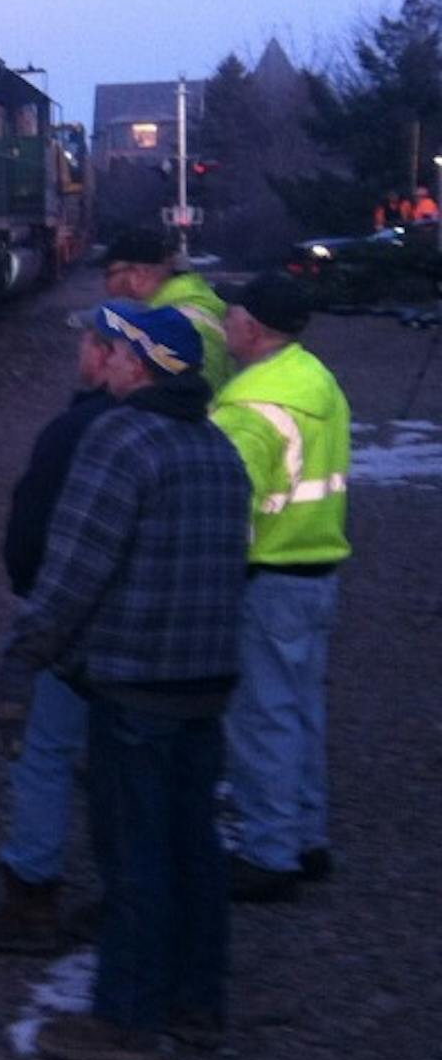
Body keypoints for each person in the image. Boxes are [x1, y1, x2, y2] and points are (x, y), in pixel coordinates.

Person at [0, 301, 250, 1060]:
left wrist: (23, 658)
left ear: (136, 365)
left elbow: (75, 574)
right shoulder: (216, 450)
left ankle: (128, 1018)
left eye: (109, 350)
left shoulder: (118, 440)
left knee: (131, 850)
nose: (96, 358)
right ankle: (197, 1002)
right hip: (205, 682)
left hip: (135, 683)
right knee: (193, 845)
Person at [0, 312, 120, 954]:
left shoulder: (75, 430)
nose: (78, 350)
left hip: (66, 621)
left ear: (110, 356)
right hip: (139, 631)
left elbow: (29, 533)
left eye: (88, 342)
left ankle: (32, 895)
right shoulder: (184, 427)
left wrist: (31, 598)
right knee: (120, 756)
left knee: (44, 751)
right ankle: (125, 890)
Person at [212, 272, 351, 902]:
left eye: (230, 314)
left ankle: (270, 855)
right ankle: (306, 836)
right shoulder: (315, 379)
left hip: (267, 577)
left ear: (254, 326)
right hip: (316, 565)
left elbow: (226, 510)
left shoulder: (250, 405)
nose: (223, 325)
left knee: (261, 719)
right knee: (300, 712)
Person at [101, 227, 233, 392]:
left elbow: (195, 398)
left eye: (109, 274)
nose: (106, 285)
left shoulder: (186, 323)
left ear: (139, 274)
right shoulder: (173, 312)